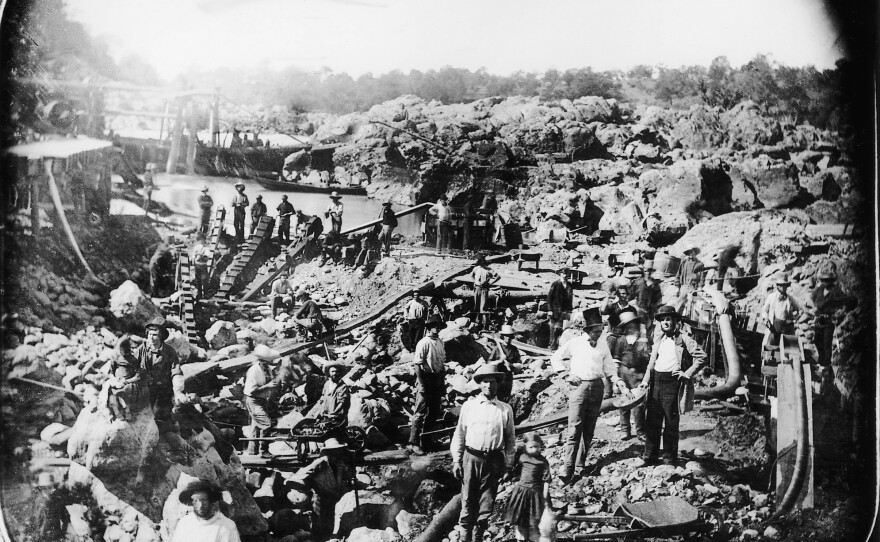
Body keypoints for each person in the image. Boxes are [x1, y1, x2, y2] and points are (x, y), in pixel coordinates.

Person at [550, 308, 626, 483]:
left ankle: (580, 466)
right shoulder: (576, 343)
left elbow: (609, 367)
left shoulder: (602, 344)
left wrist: (616, 380)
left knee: (589, 429)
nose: (598, 334)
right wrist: (565, 374)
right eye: (595, 331)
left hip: (597, 387)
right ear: (587, 330)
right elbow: (555, 357)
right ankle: (567, 470)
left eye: (600, 331)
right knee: (574, 429)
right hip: (579, 387)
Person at [451, 364, 516, 542]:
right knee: (467, 502)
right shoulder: (469, 406)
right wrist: (457, 460)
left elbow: (510, 440)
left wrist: (508, 465)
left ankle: (478, 538)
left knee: (486, 505)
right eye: (485, 382)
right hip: (471, 458)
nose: (489, 386)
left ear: (498, 384)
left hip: (494, 460)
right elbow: (460, 434)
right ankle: (465, 538)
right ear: (480, 384)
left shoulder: (505, 409)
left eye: (492, 382)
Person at [636, 305, 707, 466]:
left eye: (669, 319)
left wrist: (687, 373)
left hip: (672, 384)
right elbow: (651, 364)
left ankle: (669, 459)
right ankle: (649, 456)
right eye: (663, 320)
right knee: (652, 421)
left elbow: (702, 357)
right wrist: (645, 382)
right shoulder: (658, 338)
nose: (666, 322)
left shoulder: (684, 339)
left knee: (670, 422)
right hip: (656, 382)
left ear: (675, 321)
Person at [287, 438, 355, 541]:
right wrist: (296, 481)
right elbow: (304, 472)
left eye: (338, 450)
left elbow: (347, 475)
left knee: (330, 522)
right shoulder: (321, 462)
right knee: (319, 524)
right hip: (321, 497)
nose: (336, 453)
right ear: (328, 452)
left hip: (333, 497)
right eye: (333, 451)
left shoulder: (339, 462)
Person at [606, 309, 649, 439]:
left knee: (639, 404)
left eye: (633, 324)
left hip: (638, 374)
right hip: (624, 373)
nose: (631, 327)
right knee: (624, 402)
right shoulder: (621, 340)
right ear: (624, 327)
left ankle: (640, 431)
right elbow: (616, 359)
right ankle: (625, 430)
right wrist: (617, 379)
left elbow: (648, 359)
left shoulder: (643, 341)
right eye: (628, 325)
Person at [135, 318, 182, 435]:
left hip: (163, 392)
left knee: (160, 419)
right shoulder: (142, 349)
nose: (151, 337)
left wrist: (178, 391)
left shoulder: (170, 352)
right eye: (150, 334)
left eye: (155, 335)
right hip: (145, 390)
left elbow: (176, 371)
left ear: (161, 336)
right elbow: (132, 365)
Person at [408, 314, 447, 455]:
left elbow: (442, 364)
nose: (436, 329)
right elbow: (417, 364)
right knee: (420, 412)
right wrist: (422, 383)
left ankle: (426, 441)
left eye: (438, 326)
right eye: (433, 326)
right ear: (429, 327)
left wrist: (442, 382)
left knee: (434, 412)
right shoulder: (424, 342)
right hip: (426, 378)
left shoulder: (440, 342)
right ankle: (413, 443)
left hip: (437, 379)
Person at [503, 433, 551, 542]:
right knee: (521, 518)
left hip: (535, 494)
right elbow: (515, 472)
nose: (534, 450)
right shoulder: (522, 457)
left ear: (540, 446)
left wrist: (544, 496)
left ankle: (534, 538)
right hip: (521, 492)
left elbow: (547, 480)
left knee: (534, 519)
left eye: (537, 447)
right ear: (525, 446)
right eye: (531, 447)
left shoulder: (543, 462)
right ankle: (521, 538)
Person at [172, 479, 240, 542]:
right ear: (191, 502)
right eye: (195, 501)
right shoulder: (184, 523)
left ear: (210, 500)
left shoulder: (227, 525)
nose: (200, 505)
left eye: (203, 500)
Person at [808, 267, 851, 368]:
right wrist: (813, 308)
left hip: (829, 318)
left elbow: (845, 301)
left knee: (827, 341)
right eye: (824, 280)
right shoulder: (820, 289)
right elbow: (812, 298)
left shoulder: (836, 291)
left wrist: (839, 313)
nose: (826, 283)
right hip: (819, 318)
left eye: (828, 281)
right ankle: (821, 360)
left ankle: (826, 364)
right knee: (817, 340)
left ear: (832, 281)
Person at [244, 345, 278, 457]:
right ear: (259, 361)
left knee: (256, 426)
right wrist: (268, 386)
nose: (266, 364)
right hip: (253, 400)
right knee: (266, 424)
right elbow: (252, 391)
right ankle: (264, 451)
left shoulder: (267, 369)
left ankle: (252, 451)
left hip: (262, 400)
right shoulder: (253, 371)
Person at [761, 273, 801, 350]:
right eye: (781, 285)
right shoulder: (771, 297)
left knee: (786, 349)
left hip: (786, 328)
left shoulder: (790, 299)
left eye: (785, 285)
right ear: (777, 286)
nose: (783, 287)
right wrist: (766, 320)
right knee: (772, 348)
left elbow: (798, 309)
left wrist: (794, 319)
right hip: (774, 327)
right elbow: (764, 310)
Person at [489, 325, 521, 403]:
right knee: (496, 399)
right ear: (502, 336)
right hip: (498, 378)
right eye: (506, 336)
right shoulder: (497, 349)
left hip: (508, 378)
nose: (508, 338)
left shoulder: (514, 350)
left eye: (510, 336)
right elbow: (489, 364)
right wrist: (500, 361)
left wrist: (512, 366)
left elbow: (520, 365)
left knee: (506, 399)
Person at [313, 360, 351, 428]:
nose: (335, 373)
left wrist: (334, 413)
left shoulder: (342, 386)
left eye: (337, 371)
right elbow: (323, 397)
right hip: (325, 414)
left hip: (336, 416)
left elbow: (342, 402)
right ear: (329, 373)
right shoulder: (327, 384)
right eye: (332, 371)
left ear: (339, 373)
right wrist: (320, 410)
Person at [547, 270, 573, 350]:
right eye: (563, 274)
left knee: (562, 329)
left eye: (566, 274)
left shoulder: (569, 285)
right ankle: (552, 346)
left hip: (565, 311)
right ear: (560, 274)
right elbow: (549, 298)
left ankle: (559, 347)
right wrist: (550, 309)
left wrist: (570, 310)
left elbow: (570, 298)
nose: (565, 276)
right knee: (553, 329)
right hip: (555, 311)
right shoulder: (555, 284)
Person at [471, 255, 500, 327]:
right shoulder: (476, 269)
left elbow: (498, 277)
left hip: (484, 289)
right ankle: (475, 323)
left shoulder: (488, 269)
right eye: (478, 261)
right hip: (477, 288)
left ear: (483, 261)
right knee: (475, 305)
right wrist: (474, 282)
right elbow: (471, 275)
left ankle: (484, 324)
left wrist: (491, 283)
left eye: (481, 261)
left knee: (483, 307)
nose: (480, 263)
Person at [191, 233, 212, 299]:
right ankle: (199, 294)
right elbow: (193, 256)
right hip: (197, 265)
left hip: (203, 266)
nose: (201, 242)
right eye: (199, 240)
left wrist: (201, 255)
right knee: (198, 280)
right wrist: (195, 258)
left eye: (202, 240)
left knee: (204, 280)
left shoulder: (205, 248)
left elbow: (207, 257)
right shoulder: (196, 247)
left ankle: (205, 294)